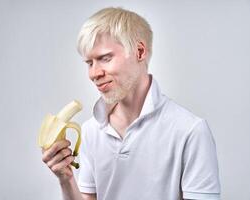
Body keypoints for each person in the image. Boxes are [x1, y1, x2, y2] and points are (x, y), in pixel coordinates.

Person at [41, 7, 221, 200]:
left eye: (105, 58)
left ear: (140, 52)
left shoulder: (190, 131)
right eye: (89, 63)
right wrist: (66, 179)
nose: (94, 74)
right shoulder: (90, 131)